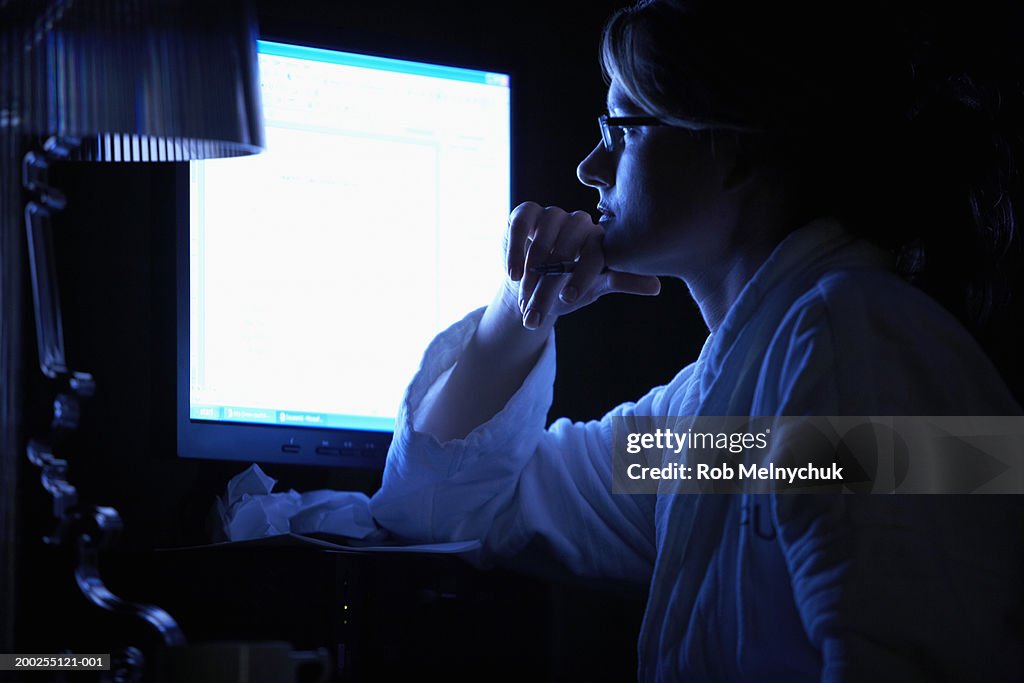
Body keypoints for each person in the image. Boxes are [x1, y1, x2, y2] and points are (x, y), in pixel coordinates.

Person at [370, 0, 1024, 680]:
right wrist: (519, 309)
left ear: (733, 145)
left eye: (621, 128)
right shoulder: (713, 427)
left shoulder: (852, 341)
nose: (591, 166)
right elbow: (439, 509)